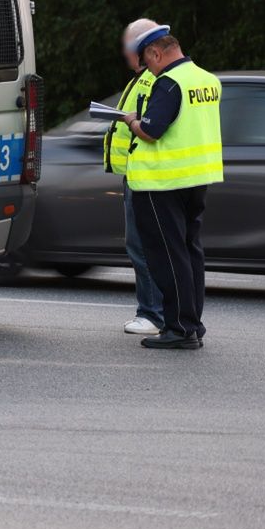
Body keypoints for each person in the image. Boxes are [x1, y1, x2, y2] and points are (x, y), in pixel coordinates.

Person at [122, 23, 223, 350]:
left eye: (147, 61)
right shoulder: (207, 79)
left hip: (161, 181)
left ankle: (178, 329)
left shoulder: (169, 83)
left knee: (168, 255)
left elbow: (151, 130)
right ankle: (193, 324)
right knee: (190, 251)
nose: (147, 69)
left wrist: (131, 121)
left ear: (156, 52)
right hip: (196, 179)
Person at [106, 19, 163, 336]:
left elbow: (151, 127)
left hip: (145, 176)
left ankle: (152, 313)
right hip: (137, 173)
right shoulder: (143, 78)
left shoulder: (154, 80)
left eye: (129, 47)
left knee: (142, 246)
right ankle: (155, 311)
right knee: (143, 245)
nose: (126, 54)